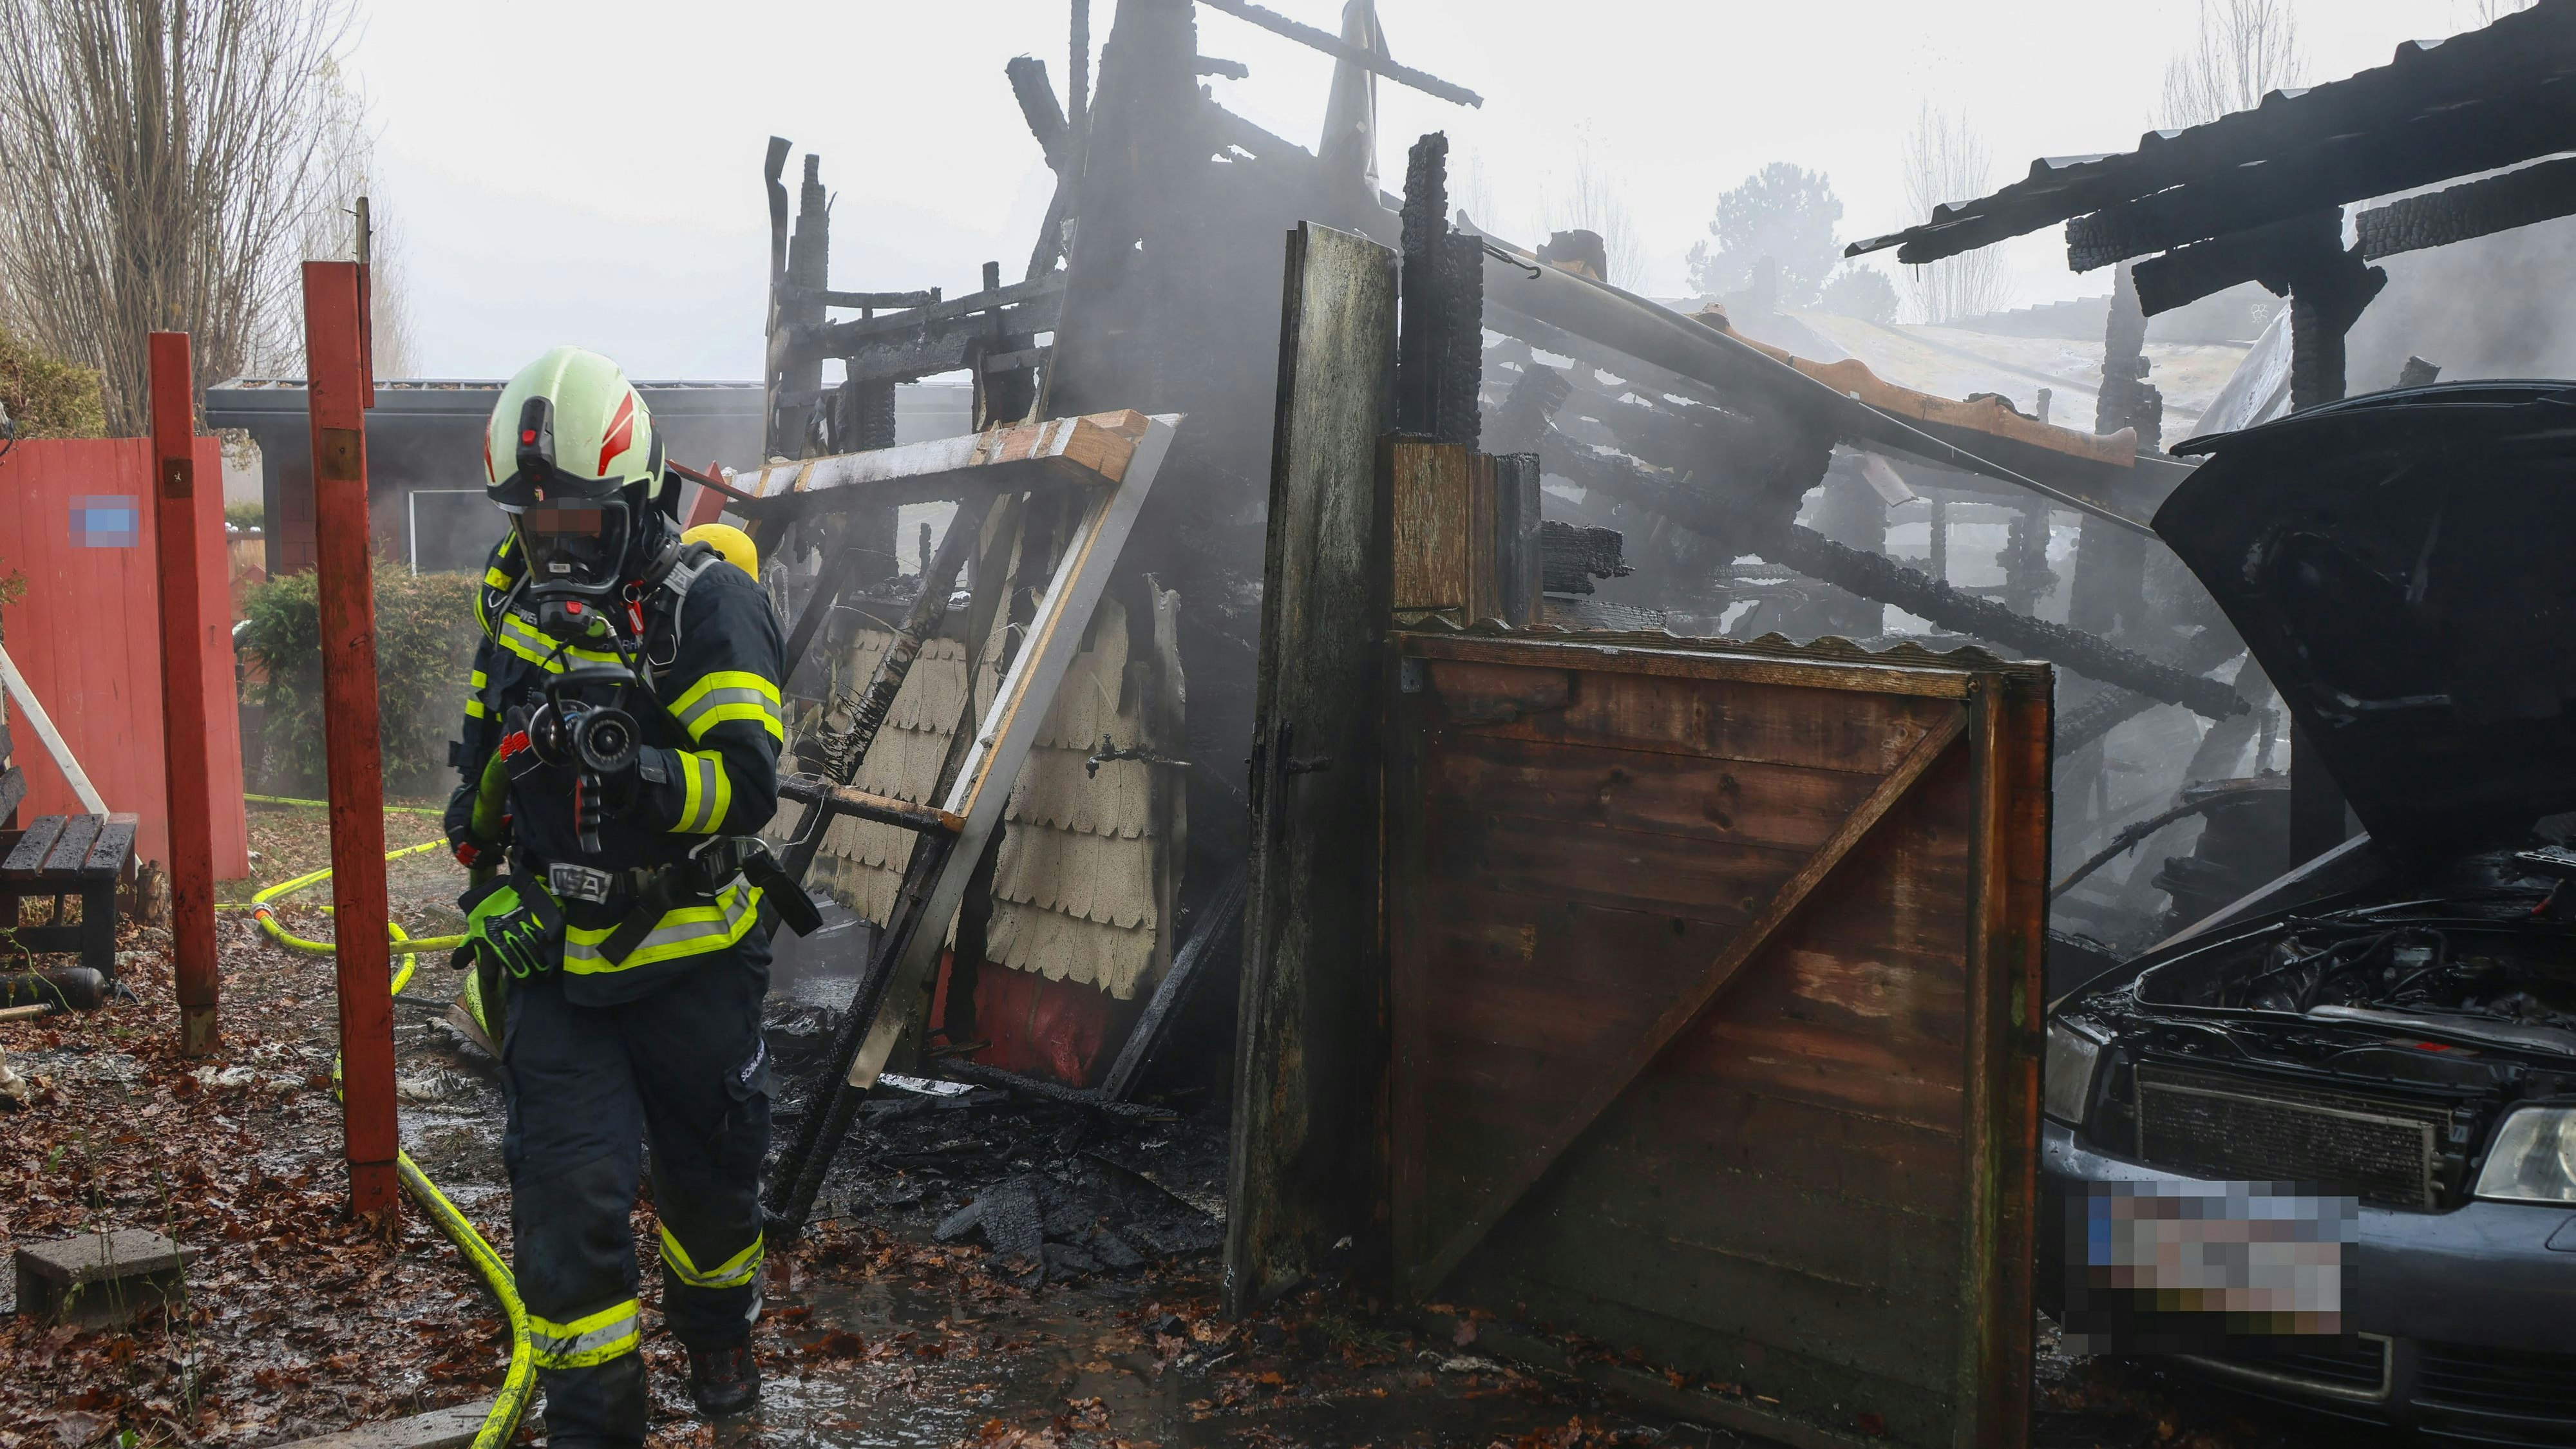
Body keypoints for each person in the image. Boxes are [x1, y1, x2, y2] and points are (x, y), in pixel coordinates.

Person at [444, 346, 797, 1444]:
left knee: (709, 1195)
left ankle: (720, 1352)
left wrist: (633, 768)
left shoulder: (709, 602)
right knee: (567, 1207)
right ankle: (595, 1423)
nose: (553, 554)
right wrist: (479, 831)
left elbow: (748, 789)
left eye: (579, 529)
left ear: (636, 501)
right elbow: (477, 759)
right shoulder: (510, 599)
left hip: (693, 962)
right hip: (558, 967)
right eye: (534, 527)